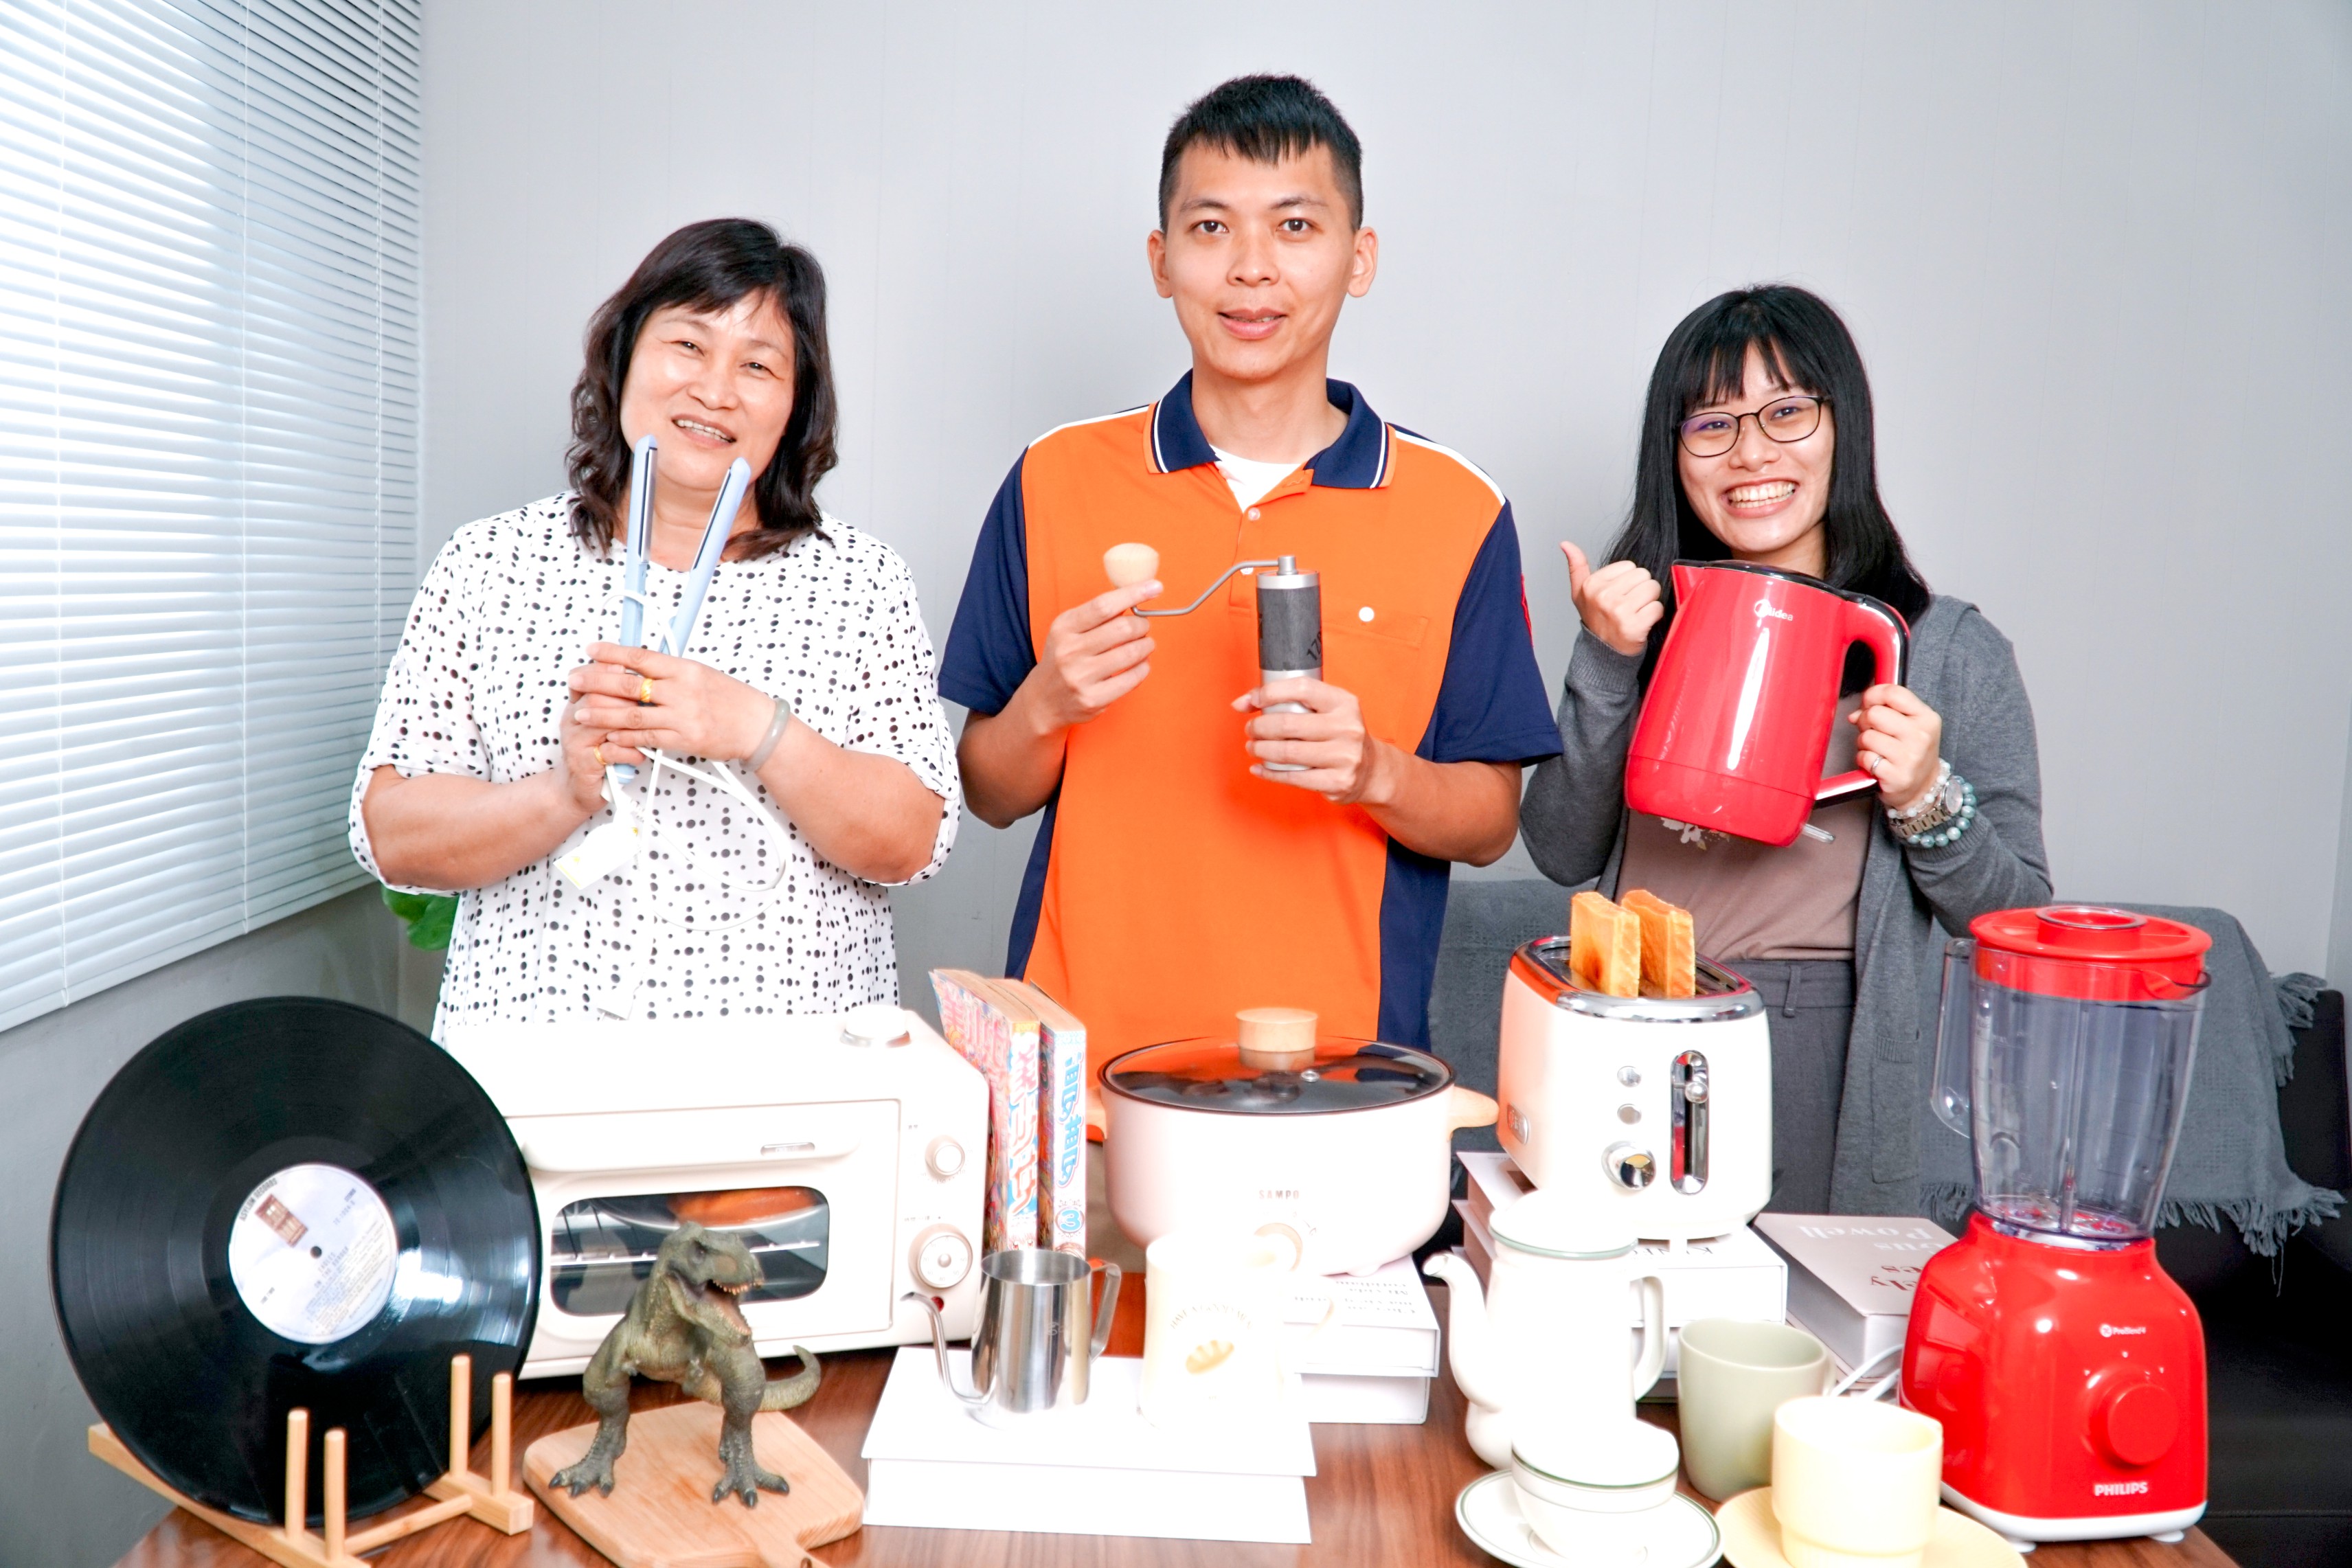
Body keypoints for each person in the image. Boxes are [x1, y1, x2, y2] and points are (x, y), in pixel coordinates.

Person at [940, 76, 1559, 1078]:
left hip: (1345, 1073)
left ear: (1359, 258)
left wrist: (1374, 771)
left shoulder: (1459, 507)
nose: (1252, 268)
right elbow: (988, 789)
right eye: (1212, 227)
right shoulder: (1054, 478)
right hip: (1083, 1071)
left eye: (1295, 226)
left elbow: (1491, 822)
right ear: (1161, 260)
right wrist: (1048, 703)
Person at [1520, 284, 2050, 1216]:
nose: (1752, 452)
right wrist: (1604, 661)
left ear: (1844, 428)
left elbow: (2016, 913)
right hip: (1631, 1012)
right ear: (1672, 454)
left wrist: (1925, 795)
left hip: (1814, 1036)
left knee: (1793, 1302)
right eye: (1711, 424)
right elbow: (1560, 848)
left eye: (1787, 412)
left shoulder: (1951, 650)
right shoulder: (1639, 624)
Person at [352, 219, 958, 1030]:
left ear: (796, 404)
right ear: (625, 354)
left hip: (791, 1074)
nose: (715, 390)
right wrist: (563, 792)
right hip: (538, 1061)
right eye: (688, 345)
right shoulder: (488, 563)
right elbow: (392, 836)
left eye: (757, 365)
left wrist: (756, 728)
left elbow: (914, 842)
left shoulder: (860, 581)